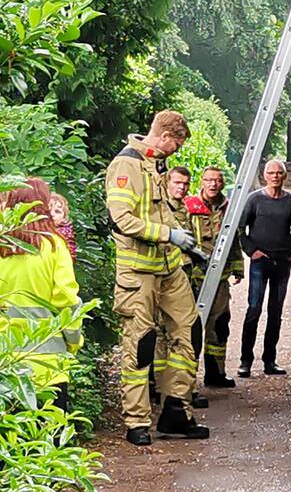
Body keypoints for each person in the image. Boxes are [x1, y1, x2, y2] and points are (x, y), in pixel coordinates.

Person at [105, 111, 209, 446]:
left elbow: (161, 211)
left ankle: (176, 410)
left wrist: (186, 244)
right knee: (141, 342)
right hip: (138, 272)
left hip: (169, 267)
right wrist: (168, 234)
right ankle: (137, 420)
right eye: (177, 143)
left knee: (189, 328)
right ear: (165, 135)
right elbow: (121, 219)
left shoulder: (155, 164)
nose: (177, 150)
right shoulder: (125, 166)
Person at [0, 178, 83, 411]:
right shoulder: (53, 247)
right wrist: (73, 343)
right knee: (49, 439)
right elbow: (67, 301)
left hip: (0, 364)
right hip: (47, 367)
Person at [237, 160, 291, 378]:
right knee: (254, 309)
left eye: (279, 173)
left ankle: (270, 360)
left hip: (282, 263)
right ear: (264, 176)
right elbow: (240, 228)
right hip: (260, 262)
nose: (275, 176)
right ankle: (245, 361)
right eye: (271, 173)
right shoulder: (254, 199)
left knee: (275, 312)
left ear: (285, 176)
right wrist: (251, 250)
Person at [149, 166, 209, 409]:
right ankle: (163, 388)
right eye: (177, 183)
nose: (181, 188)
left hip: (184, 274)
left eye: (185, 184)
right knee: (164, 335)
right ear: (166, 182)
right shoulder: (162, 208)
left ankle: (182, 390)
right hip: (165, 274)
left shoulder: (185, 208)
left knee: (184, 334)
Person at [184, 166, 244, 388]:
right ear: (202, 182)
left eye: (217, 181)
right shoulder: (189, 207)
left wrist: (238, 268)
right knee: (190, 327)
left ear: (222, 183)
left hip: (219, 278)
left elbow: (234, 241)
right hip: (193, 277)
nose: (213, 184)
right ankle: (188, 380)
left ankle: (215, 373)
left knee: (219, 325)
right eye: (208, 180)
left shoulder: (229, 208)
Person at [48, 192, 77, 262]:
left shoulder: (65, 233)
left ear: (64, 217)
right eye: (48, 210)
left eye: (57, 212)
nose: (52, 214)